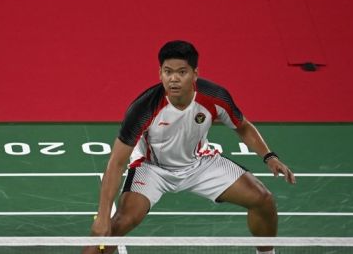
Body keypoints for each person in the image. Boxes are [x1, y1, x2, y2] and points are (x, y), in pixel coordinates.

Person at [84, 40, 295, 254]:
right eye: (168, 72)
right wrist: (102, 217)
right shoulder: (144, 108)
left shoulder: (214, 97)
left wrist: (269, 157)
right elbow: (116, 163)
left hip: (199, 163)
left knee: (263, 200)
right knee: (115, 227)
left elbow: (243, 126)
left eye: (181, 72)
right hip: (152, 168)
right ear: (160, 74)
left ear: (195, 74)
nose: (174, 78)